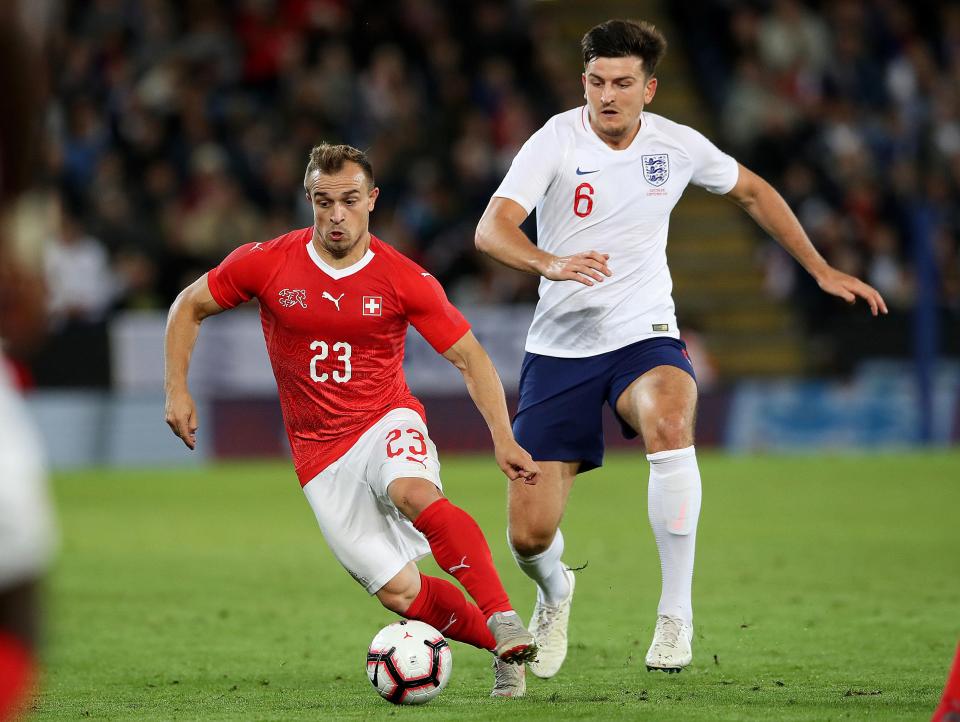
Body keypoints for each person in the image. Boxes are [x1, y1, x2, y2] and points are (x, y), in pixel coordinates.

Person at [475, 19, 887, 677]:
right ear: (584, 82)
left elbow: (753, 190)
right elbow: (492, 229)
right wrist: (548, 261)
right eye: (597, 82)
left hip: (644, 337)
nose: (608, 96)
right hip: (560, 352)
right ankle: (556, 592)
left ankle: (675, 616)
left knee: (671, 417)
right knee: (530, 535)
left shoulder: (678, 145)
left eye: (623, 83)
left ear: (650, 88)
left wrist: (819, 268)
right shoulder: (556, 138)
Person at [164, 143, 539, 698]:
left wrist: (502, 437)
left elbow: (470, 358)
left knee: (411, 489)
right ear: (309, 200)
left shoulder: (402, 277)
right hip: (319, 456)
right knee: (400, 592)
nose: (335, 214)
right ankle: (503, 650)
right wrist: (177, 389)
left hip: (386, 420)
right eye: (322, 201)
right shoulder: (267, 262)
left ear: (371, 200)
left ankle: (502, 613)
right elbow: (187, 307)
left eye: (348, 200)